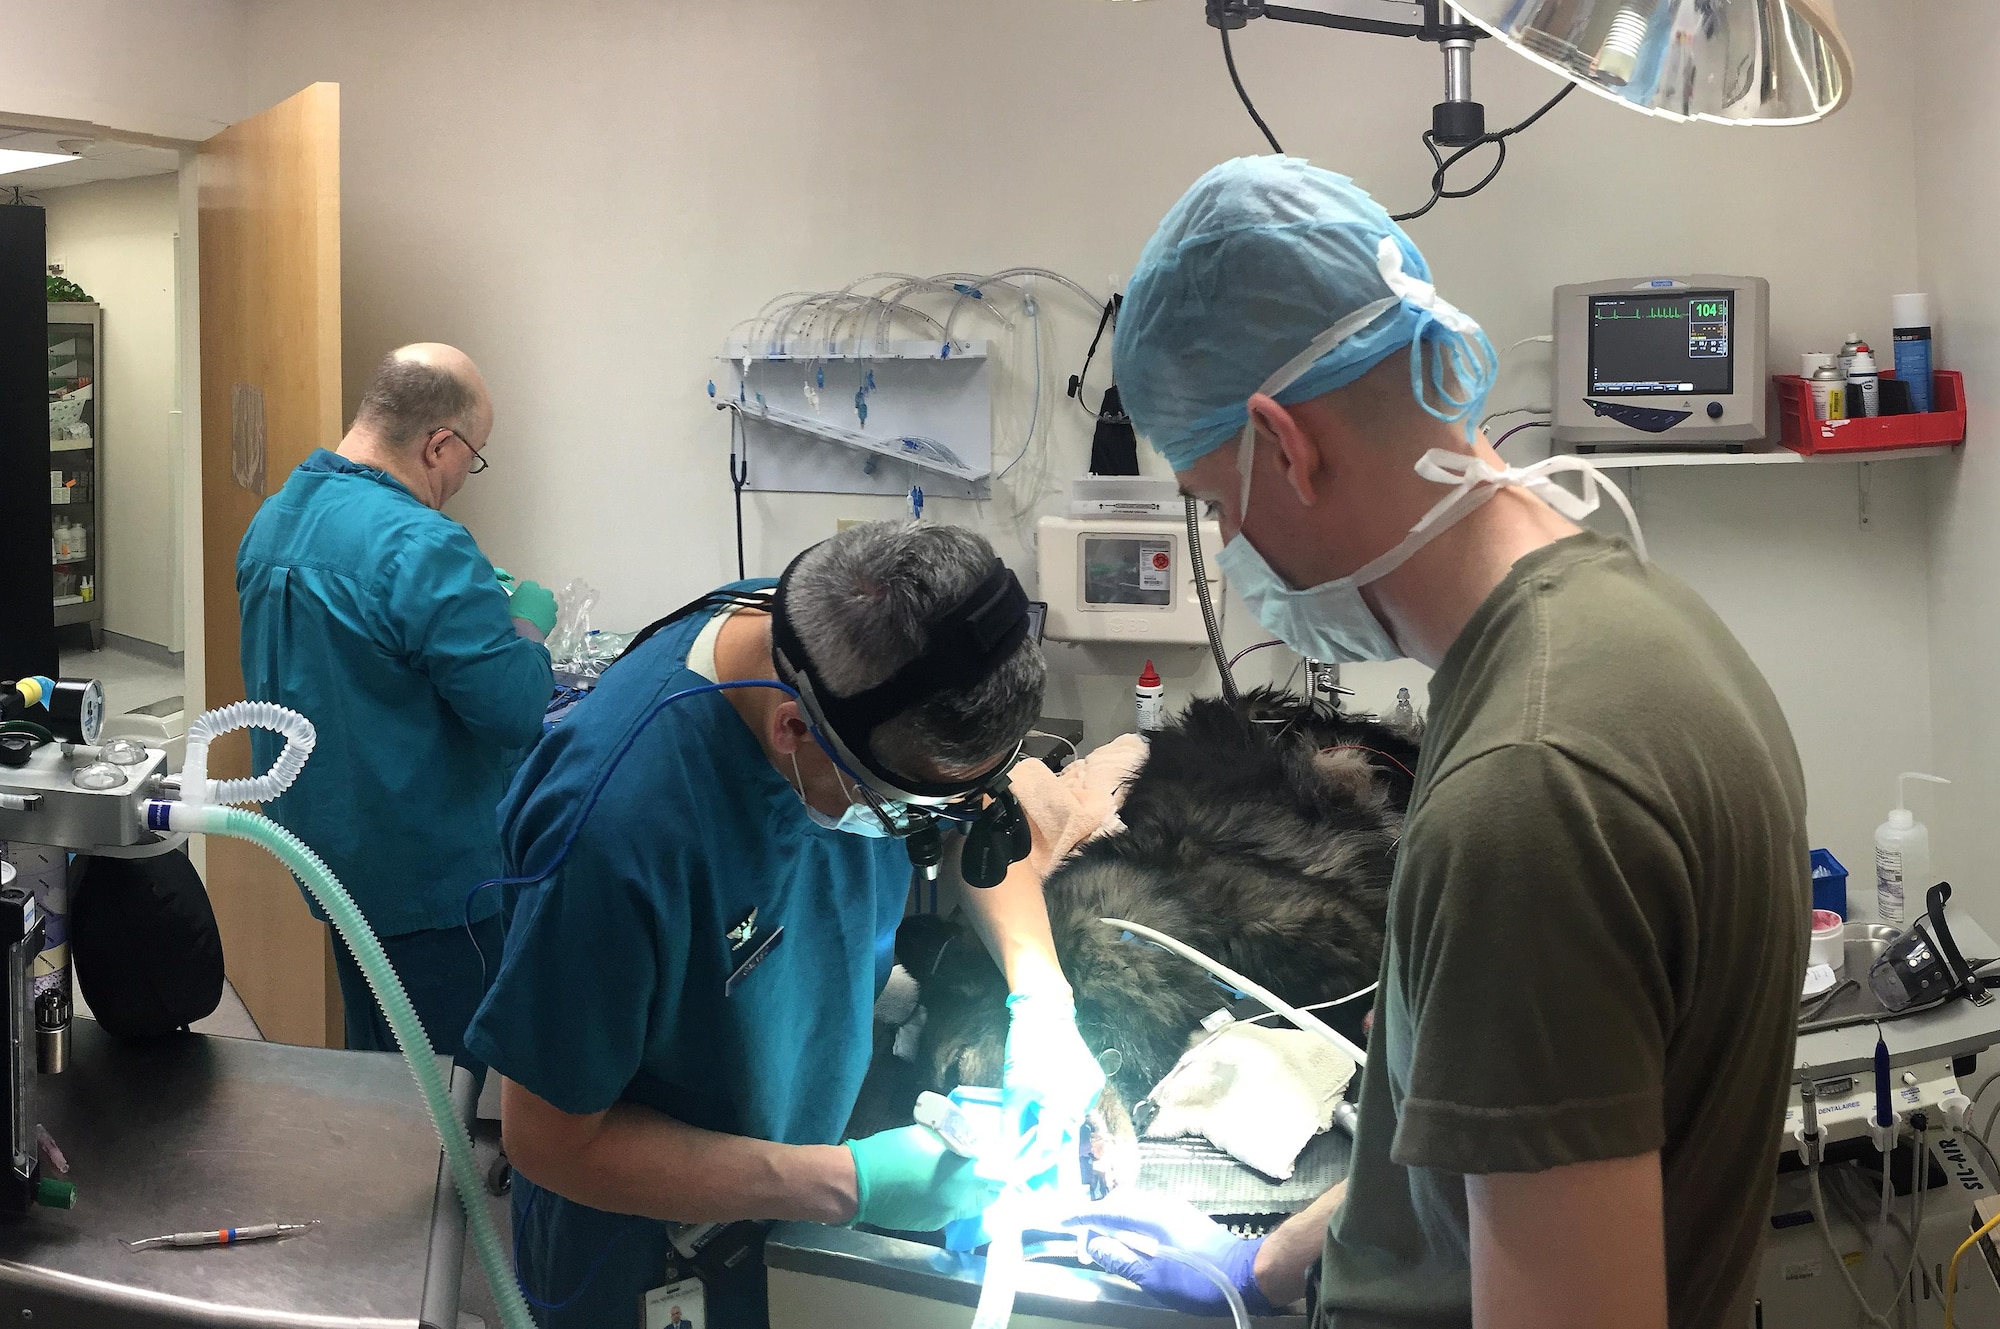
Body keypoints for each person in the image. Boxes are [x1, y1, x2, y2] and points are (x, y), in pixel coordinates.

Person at [1072, 157, 1808, 1329]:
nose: (1229, 548)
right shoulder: (1632, 630)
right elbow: (1492, 1158)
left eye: (1216, 503)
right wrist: (1267, 1266)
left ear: (1285, 445)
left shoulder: (1528, 788)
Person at [465, 520, 1106, 1328]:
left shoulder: (869, 646)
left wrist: (1041, 997)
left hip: (798, 1155)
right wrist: (846, 1184)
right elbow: (547, 1139)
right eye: (906, 811)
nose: (931, 822)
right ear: (795, 735)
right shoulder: (614, 830)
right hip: (646, 1234)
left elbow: (976, 822)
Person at [237, 344, 557, 1076]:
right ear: (438, 442)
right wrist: (527, 626)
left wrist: (469, 609)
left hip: (330, 857)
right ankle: (453, 1193)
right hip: (435, 880)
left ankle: (387, 1182)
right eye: (469, 459)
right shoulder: (422, 542)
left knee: (381, 1062)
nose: (460, 480)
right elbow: (514, 709)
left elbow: (360, 660)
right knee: (452, 1082)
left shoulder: (275, 517)